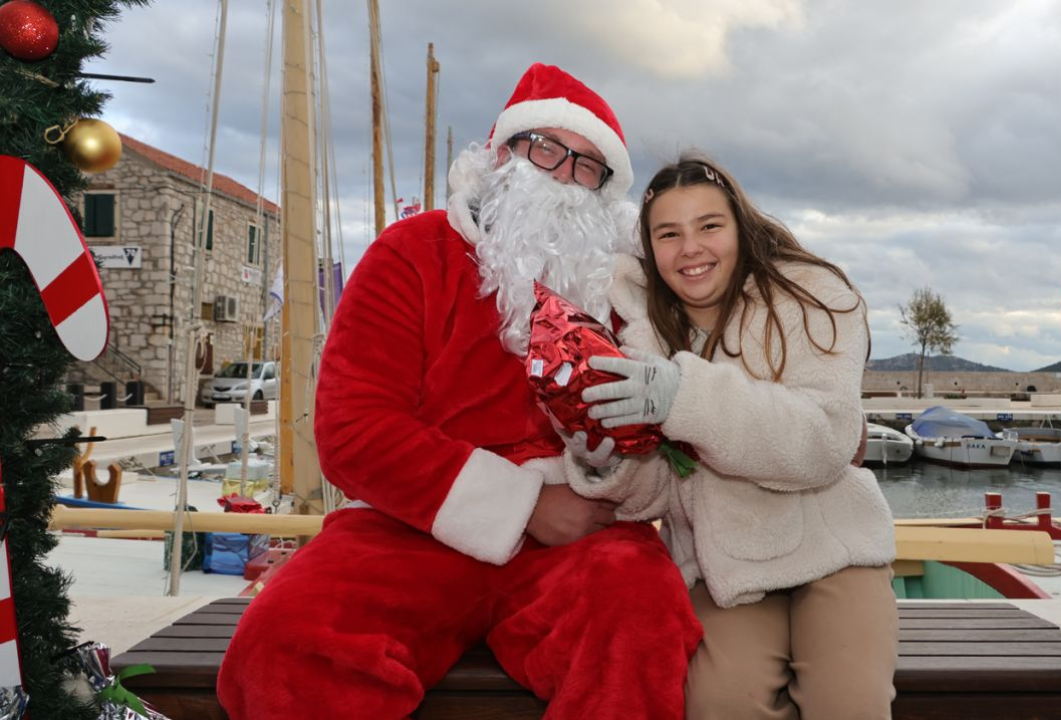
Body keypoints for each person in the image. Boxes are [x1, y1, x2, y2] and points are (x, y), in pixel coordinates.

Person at [217, 64, 702, 719]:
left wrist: (602, 479)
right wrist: (524, 504)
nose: (564, 174)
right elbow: (352, 430)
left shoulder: (621, 291)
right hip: (409, 527)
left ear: (607, 192)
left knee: (641, 618)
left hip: (581, 536)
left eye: (588, 165)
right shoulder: (410, 253)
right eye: (546, 149)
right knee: (290, 640)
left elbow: (665, 427)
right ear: (499, 156)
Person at [564, 156, 899, 719]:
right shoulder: (639, 334)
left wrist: (684, 398)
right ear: (650, 248)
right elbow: (666, 491)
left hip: (837, 550)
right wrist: (610, 462)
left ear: (740, 227)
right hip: (726, 569)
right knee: (719, 704)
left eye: (709, 226)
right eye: (669, 234)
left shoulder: (815, 296)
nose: (690, 248)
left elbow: (823, 443)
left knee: (849, 705)